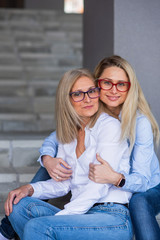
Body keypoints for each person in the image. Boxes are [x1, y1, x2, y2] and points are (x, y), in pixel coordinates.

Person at [4, 68, 133, 240]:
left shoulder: (109, 127)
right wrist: (29, 188)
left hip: (112, 216)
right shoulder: (68, 135)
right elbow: (63, 185)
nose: (87, 99)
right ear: (67, 100)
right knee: (18, 205)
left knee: (39, 227)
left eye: (91, 91)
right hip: (80, 214)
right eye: (78, 94)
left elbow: (99, 186)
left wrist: (60, 219)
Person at [88, 55, 160, 240]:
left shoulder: (140, 122)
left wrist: (115, 178)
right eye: (107, 83)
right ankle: (6, 229)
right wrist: (48, 158)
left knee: (139, 202)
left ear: (130, 88)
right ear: (97, 84)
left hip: (149, 187)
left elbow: (142, 181)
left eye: (121, 84)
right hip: (109, 184)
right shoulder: (90, 111)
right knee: (54, 162)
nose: (114, 90)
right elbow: (58, 138)